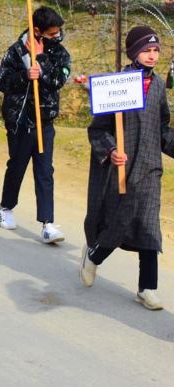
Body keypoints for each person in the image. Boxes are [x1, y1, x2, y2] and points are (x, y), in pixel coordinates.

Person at [80, 26, 174, 310]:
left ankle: (147, 288)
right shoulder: (116, 84)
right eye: (146, 50)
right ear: (133, 52)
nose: (152, 55)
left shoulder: (158, 86)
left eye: (156, 50)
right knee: (119, 223)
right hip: (122, 170)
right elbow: (97, 130)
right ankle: (93, 257)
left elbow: (162, 129)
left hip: (150, 169)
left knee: (148, 226)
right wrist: (111, 151)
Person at [0, 6, 70, 243]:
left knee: (45, 171)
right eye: (52, 33)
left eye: (58, 32)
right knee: (17, 166)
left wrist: (42, 62)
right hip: (20, 121)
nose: (57, 36)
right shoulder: (16, 51)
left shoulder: (59, 53)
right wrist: (24, 75)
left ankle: (47, 224)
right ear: (37, 31)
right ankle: (6, 207)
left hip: (44, 121)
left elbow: (59, 79)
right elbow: (1, 82)